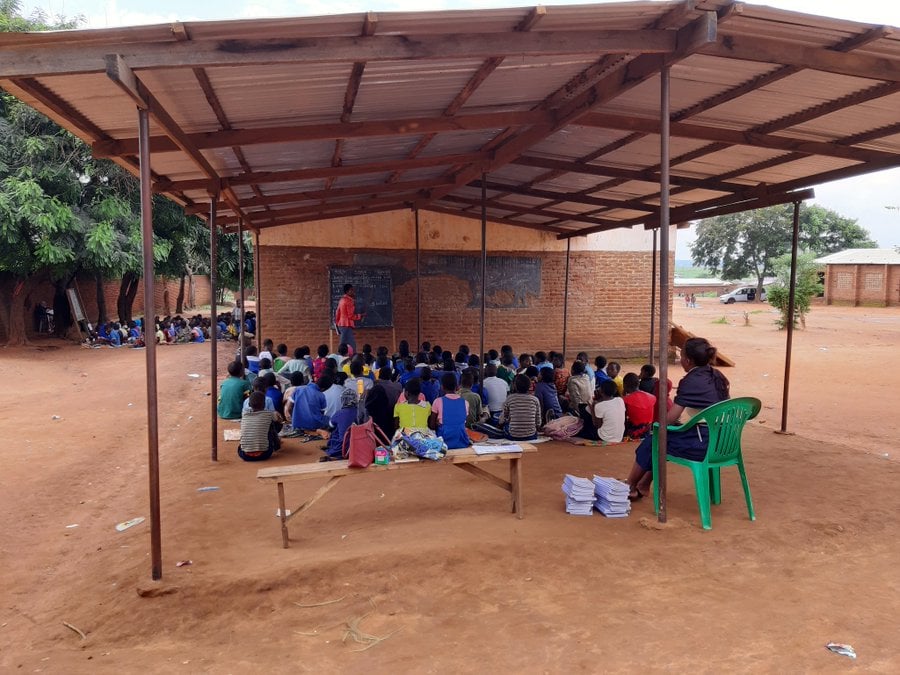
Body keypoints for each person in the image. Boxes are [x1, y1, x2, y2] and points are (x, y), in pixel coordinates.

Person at [626, 337, 731, 501]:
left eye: (681, 357)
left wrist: (657, 425)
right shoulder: (718, 376)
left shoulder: (690, 381)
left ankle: (630, 484)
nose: (680, 360)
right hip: (723, 442)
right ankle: (643, 485)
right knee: (665, 440)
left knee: (654, 439)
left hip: (701, 444)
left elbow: (670, 418)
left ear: (688, 361)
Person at [428, 372, 470, 449]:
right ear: (457, 387)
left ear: (442, 387)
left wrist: (439, 423)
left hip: (443, 443)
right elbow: (463, 422)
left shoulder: (437, 401)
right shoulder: (465, 403)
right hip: (462, 442)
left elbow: (432, 426)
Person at [238, 392, 281, 462]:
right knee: (271, 425)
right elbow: (279, 420)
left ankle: (249, 446)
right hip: (265, 454)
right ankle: (276, 445)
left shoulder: (244, 414)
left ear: (249, 404)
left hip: (244, 455)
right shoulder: (269, 414)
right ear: (264, 404)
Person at [499, 374, 542, 441]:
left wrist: (500, 425)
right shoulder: (535, 399)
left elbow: (503, 418)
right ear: (529, 386)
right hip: (531, 435)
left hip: (513, 435)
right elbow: (538, 421)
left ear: (515, 386)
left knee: (506, 426)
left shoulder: (510, 398)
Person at [323, 389, 360, 461]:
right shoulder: (360, 412)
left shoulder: (339, 413)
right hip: (359, 447)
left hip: (341, 449)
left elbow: (330, 426)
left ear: (342, 400)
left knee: (335, 430)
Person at [590, 379, 625, 444]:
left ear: (601, 392)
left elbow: (597, 425)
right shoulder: (620, 400)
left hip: (604, 437)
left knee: (586, 428)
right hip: (619, 437)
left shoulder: (599, 406)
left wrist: (592, 408)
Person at [622, 372, 656, 439]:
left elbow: (623, 418)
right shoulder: (652, 397)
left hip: (633, 433)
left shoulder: (625, 400)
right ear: (638, 383)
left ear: (624, 385)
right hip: (647, 431)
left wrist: (623, 395)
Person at [334, 283, 364, 353]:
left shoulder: (342, 299)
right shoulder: (349, 301)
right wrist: (360, 316)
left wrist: (338, 322)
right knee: (348, 343)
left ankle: (343, 356)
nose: (353, 292)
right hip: (346, 324)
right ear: (347, 292)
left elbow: (337, 312)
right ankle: (350, 358)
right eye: (352, 290)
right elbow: (350, 316)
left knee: (344, 343)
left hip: (342, 324)